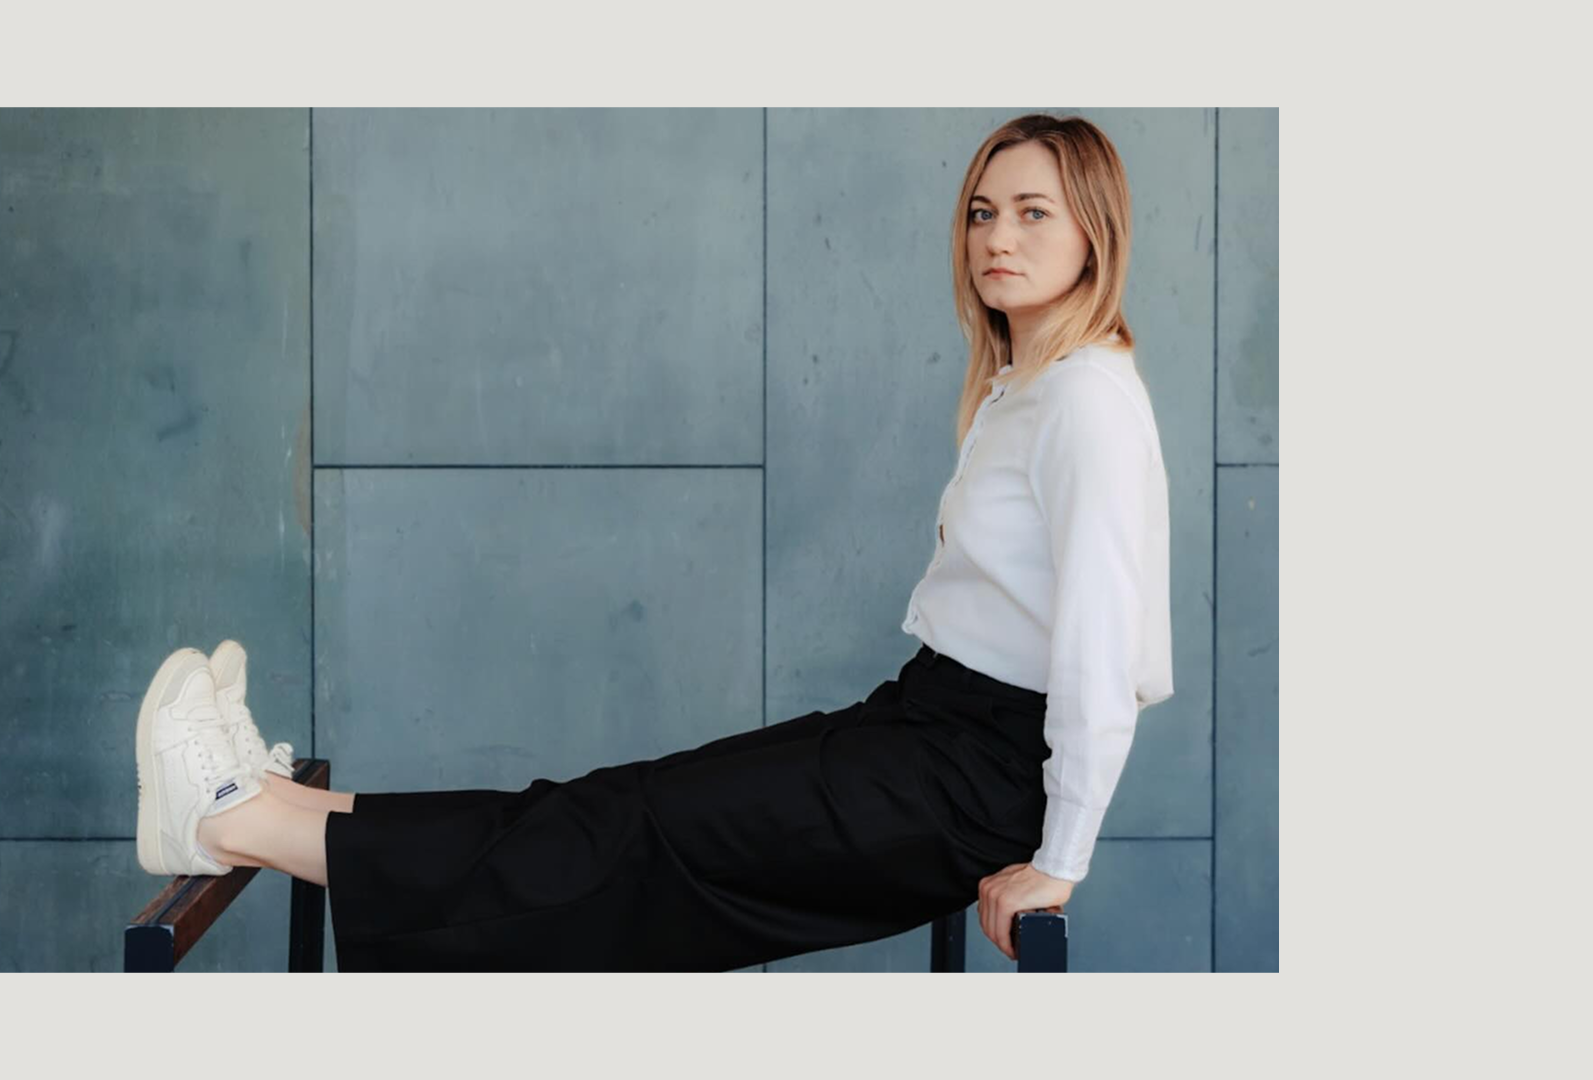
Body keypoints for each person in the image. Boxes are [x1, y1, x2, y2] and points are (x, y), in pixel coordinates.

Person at [132, 113, 1173, 972]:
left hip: (972, 778)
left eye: (1034, 212)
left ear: (1095, 232)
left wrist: (1061, 860)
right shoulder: (1030, 387)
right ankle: (280, 805)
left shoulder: (1086, 402)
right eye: (984, 211)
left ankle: (231, 823)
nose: (997, 236)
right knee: (619, 806)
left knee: (636, 838)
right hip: (925, 725)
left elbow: (1100, 656)